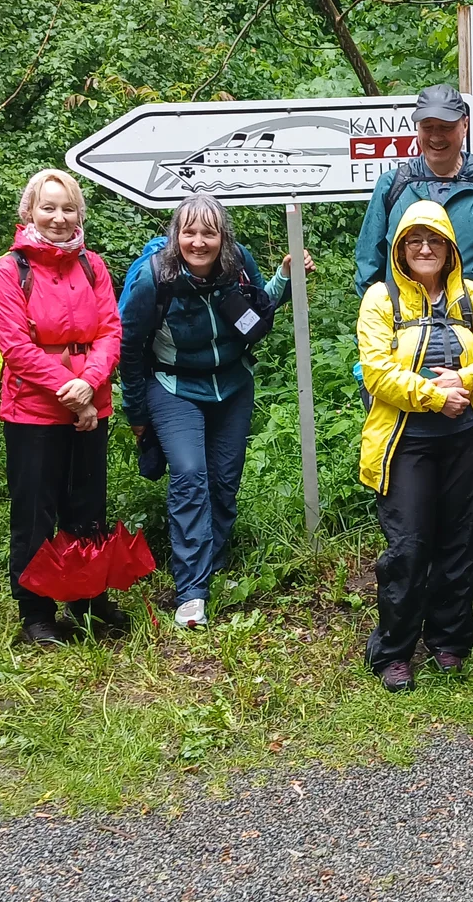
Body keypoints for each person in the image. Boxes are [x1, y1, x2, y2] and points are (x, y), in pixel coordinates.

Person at [355, 84, 473, 615]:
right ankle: (419, 569)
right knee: (408, 460)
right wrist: (380, 337)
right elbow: (369, 262)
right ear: (418, 128)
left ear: (463, 127)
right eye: (427, 125)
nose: (436, 135)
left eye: (446, 126)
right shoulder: (395, 184)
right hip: (405, 347)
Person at [119, 196, 311, 630]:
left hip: (232, 383)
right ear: (176, 235)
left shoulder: (236, 262)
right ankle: (191, 591)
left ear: (223, 237)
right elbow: (128, 347)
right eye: (189, 232)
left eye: (209, 232)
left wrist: (284, 277)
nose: (199, 242)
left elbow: (258, 311)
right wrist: (137, 413)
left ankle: (213, 560)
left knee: (225, 478)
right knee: (190, 475)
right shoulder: (154, 278)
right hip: (174, 386)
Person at [357, 201, 473, 692]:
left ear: (449, 249)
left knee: (459, 542)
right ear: (400, 249)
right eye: (414, 241)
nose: (424, 249)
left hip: (466, 441)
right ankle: (393, 651)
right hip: (406, 443)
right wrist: (434, 396)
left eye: (434, 241)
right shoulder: (381, 300)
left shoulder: (472, 298)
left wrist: (464, 379)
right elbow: (377, 373)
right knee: (407, 547)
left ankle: (449, 641)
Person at [0, 169, 126, 647]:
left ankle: (86, 597)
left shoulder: (93, 266)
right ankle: (36, 612)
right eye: (48, 207)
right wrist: (71, 388)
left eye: (68, 208)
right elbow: (15, 346)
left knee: (87, 506)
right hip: (33, 411)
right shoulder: (11, 270)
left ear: (79, 214)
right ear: (30, 212)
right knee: (35, 513)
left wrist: (89, 385)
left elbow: (110, 331)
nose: (59, 217)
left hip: (92, 402)